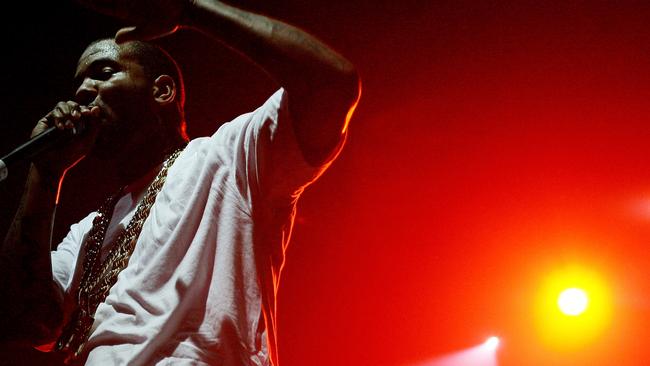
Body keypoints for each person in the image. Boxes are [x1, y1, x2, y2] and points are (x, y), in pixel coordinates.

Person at [0, 0, 360, 365]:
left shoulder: (226, 159)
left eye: (104, 72)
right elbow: (26, 321)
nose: (82, 92)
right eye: (79, 83)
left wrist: (191, 10)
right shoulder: (87, 234)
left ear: (162, 92)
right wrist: (44, 173)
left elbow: (330, 83)